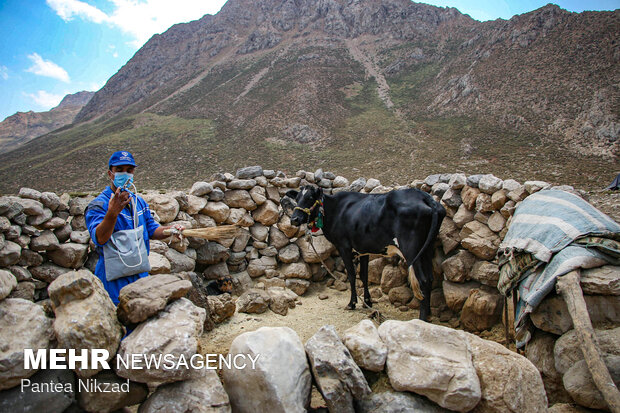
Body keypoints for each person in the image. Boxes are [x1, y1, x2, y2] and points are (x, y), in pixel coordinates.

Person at [85, 151, 184, 305]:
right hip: (114, 278)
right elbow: (100, 238)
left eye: (129, 170)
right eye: (119, 170)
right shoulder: (99, 205)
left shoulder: (138, 202)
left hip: (139, 274)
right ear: (110, 174)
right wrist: (112, 213)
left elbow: (151, 229)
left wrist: (171, 230)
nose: (125, 174)